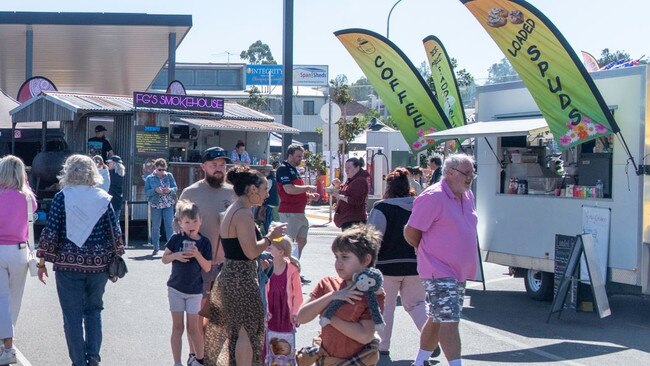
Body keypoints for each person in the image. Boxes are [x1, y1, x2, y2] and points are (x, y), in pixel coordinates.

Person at [35, 154, 124, 366]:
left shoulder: (62, 197)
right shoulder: (103, 197)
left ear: (68, 172)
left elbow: (50, 232)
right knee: (94, 311)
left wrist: (41, 262)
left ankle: (78, 361)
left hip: (68, 265)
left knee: (72, 316)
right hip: (99, 265)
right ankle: (93, 357)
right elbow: (115, 233)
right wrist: (115, 257)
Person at [203, 166, 286, 365]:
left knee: (237, 330)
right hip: (241, 278)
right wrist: (270, 237)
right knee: (246, 330)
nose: (267, 194)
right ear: (252, 189)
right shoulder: (243, 213)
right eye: (265, 189)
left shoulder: (235, 209)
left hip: (232, 275)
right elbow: (250, 251)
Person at [404, 154, 478, 366]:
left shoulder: (467, 194)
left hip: (458, 271)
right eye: (466, 173)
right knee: (449, 320)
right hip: (438, 269)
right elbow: (411, 232)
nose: (470, 177)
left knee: (438, 317)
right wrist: (425, 251)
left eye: (472, 173)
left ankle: (419, 362)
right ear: (449, 173)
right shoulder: (433, 196)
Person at [178, 146, 235, 365]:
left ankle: (214, 358)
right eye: (214, 165)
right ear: (203, 167)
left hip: (226, 264)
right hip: (197, 266)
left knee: (221, 319)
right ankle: (195, 356)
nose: (219, 169)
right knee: (196, 317)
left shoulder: (232, 192)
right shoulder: (190, 193)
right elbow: (178, 225)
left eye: (222, 165)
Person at [296, 225, 384, 364]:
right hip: (326, 358)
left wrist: (327, 315)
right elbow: (301, 317)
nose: (338, 263)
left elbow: (365, 335)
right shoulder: (327, 284)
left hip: (356, 360)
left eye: (345, 257)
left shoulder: (372, 294)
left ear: (366, 260)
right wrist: (332, 295)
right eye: (336, 257)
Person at [367, 167, 428, 357]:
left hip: (387, 266)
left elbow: (372, 238)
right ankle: (433, 339)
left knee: (386, 307)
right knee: (417, 305)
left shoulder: (382, 207)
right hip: (416, 265)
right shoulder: (420, 206)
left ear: (389, 187)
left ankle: (382, 347)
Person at [162, 200, 212, 366]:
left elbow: (207, 267)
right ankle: (177, 362)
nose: (192, 225)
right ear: (180, 223)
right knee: (177, 328)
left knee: (193, 328)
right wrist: (176, 255)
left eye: (195, 221)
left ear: (201, 221)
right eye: (187, 222)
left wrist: (197, 255)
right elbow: (164, 259)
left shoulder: (204, 242)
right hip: (175, 288)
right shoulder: (176, 238)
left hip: (194, 291)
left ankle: (199, 360)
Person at [0, 155, 36, 365]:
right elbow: (34, 211)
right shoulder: (27, 197)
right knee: (14, 299)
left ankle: (7, 344)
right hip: (20, 251)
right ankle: (8, 343)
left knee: (2, 298)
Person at [276, 144, 319, 258]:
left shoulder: (294, 170)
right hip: (289, 211)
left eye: (301, 156)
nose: (301, 159)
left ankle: (294, 262)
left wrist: (309, 195)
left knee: (302, 240)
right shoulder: (283, 169)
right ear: (290, 156)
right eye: (298, 156)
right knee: (287, 242)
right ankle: (285, 266)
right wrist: (307, 187)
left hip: (299, 211)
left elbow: (297, 190)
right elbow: (289, 189)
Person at [264, 235, 302, 353]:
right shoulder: (265, 268)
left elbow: (298, 295)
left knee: (285, 344)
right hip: (269, 312)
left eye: (269, 248)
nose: (266, 251)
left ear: (280, 252)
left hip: (286, 313)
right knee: (268, 344)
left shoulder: (292, 271)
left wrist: (296, 313)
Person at [145, 158, 178, 256]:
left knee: (169, 226)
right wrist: (155, 190)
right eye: (160, 169)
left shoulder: (169, 176)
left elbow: (175, 188)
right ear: (155, 167)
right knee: (156, 226)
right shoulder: (150, 178)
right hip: (156, 204)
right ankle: (156, 247)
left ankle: (171, 248)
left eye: (163, 169)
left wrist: (170, 190)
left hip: (168, 203)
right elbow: (146, 192)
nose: (162, 172)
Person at [331, 157, 370, 230]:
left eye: (349, 167)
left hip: (354, 221)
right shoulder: (352, 180)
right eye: (345, 168)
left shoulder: (359, 181)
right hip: (348, 219)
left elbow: (356, 200)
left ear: (357, 167)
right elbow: (347, 191)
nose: (346, 170)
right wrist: (338, 186)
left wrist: (339, 196)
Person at [259, 165, 279, 234]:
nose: (264, 173)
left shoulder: (270, 180)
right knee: (269, 218)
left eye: (265, 171)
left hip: (269, 202)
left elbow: (266, 191)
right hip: (273, 202)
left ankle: (268, 233)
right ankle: (269, 232)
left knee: (266, 218)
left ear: (269, 172)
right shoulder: (274, 179)